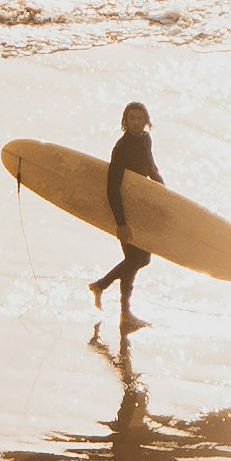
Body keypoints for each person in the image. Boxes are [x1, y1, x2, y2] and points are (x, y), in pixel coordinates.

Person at [92, 99, 162, 348]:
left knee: (143, 259)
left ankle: (101, 286)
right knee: (135, 259)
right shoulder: (121, 148)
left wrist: (161, 188)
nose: (135, 122)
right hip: (123, 209)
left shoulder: (145, 140)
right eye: (131, 118)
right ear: (125, 121)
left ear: (146, 120)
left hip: (140, 207)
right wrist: (121, 222)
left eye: (139, 118)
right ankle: (125, 316)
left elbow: (150, 166)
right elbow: (112, 188)